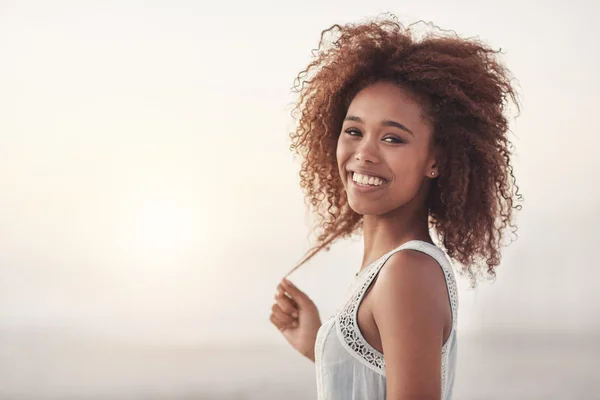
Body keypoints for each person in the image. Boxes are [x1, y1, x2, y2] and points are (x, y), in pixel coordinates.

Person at [269, 15, 521, 400]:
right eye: (354, 131)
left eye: (392, 138)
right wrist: (322, 345)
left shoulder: (408, 273)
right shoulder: (393, 269)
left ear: (434, 161)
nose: (364, 153)